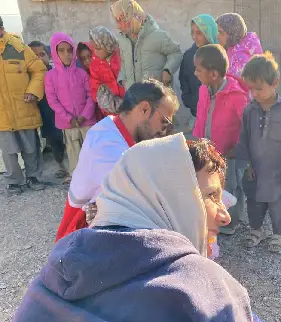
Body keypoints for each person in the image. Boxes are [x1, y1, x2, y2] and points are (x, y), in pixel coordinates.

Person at [0, 133, 281, 322]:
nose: (225, 215)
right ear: (170, 196)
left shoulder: (62, 264)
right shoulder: (209, 292)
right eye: (210, 196)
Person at [56, 79, 179, 241]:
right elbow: (139, 196)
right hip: (81, 233)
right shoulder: (105, 144)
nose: (163, 131)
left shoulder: (117, 129)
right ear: (144, 109)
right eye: (164, 122)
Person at [237, 52, 281, 253]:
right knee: (254, 201)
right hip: (255, 168)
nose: (254, 93)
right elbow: (244, 138)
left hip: (277, 170)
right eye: (251, 89)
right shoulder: (249, 110)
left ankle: (278, 234)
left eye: (259, 88)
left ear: (275, 83)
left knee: (278, 203)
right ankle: (256, 230)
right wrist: (246, 165)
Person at [193, 44, 248, 236]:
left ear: (214, 74)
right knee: (211, 185)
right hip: (207, 150)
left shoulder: (237, 95)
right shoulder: (203, 89)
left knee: (231, 187)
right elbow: (200, 117)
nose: (195, 73)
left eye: (198, 69)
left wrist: (239, 148)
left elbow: (246, 125)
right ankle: (213, 218)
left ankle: (230, 222)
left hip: (229, 154)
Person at [0, 16, 46, 195]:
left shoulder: (18, 46)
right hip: (2, 113)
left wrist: (33, 91)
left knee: (31, 146)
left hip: (24, 106)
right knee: (8, 151)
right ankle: (14, 180)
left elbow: (39, 70)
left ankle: (33, 176)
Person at [45, 32, 97, 179]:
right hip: (68, 124)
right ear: (54, 52)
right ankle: (77, 180)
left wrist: (84, 115)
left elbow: (91, 96)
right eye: (61, 51)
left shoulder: (82, 73)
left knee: (91, 150)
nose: (66, 54)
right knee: (73, 151)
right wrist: (69, 119)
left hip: (87, 121)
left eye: (69, 50)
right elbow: (52, 100)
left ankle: (94, 179)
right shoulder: (50, 76)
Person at [111, 0, 183, 89]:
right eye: (116, 21)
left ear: (131, 18)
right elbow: (124, 63)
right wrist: (123, 80)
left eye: (120, 20)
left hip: (156, 94)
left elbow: (176, 52)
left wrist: (168, 71)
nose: (117, 26)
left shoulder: (157, 36)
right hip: (133, 95)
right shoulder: (123, 40)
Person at [29, 40, 69, 180]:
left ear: (49, 55)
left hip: (63, 113)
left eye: (42, 54)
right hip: (46, 116)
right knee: (54, 141)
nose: (39, 59)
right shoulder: (30, 78)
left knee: (69, 140)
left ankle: (74, 165)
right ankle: (61, 166)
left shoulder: (57, 72)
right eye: (34, 57)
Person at [179, 14, 218, 130]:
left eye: (199, 33)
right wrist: (190, 101)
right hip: (196, 116)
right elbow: (183, 80)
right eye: (193, 32)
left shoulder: (220, 55)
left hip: (219, 117)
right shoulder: (189, 55)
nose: (194, 37)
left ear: (209, 32)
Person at [88, 26, 126, 117]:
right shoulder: (95, 64)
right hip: (112, 110)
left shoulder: (122, 55)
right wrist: (114, 105)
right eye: (94, 49)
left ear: (107, 45)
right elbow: (95, 87)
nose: (95, 52)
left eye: (98, 49)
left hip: (130, 104)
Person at [216, 13, 263, 79]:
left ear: (231, 33)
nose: (217, 36)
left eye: (221, 32)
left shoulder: (238, 59)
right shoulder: (234, 50)